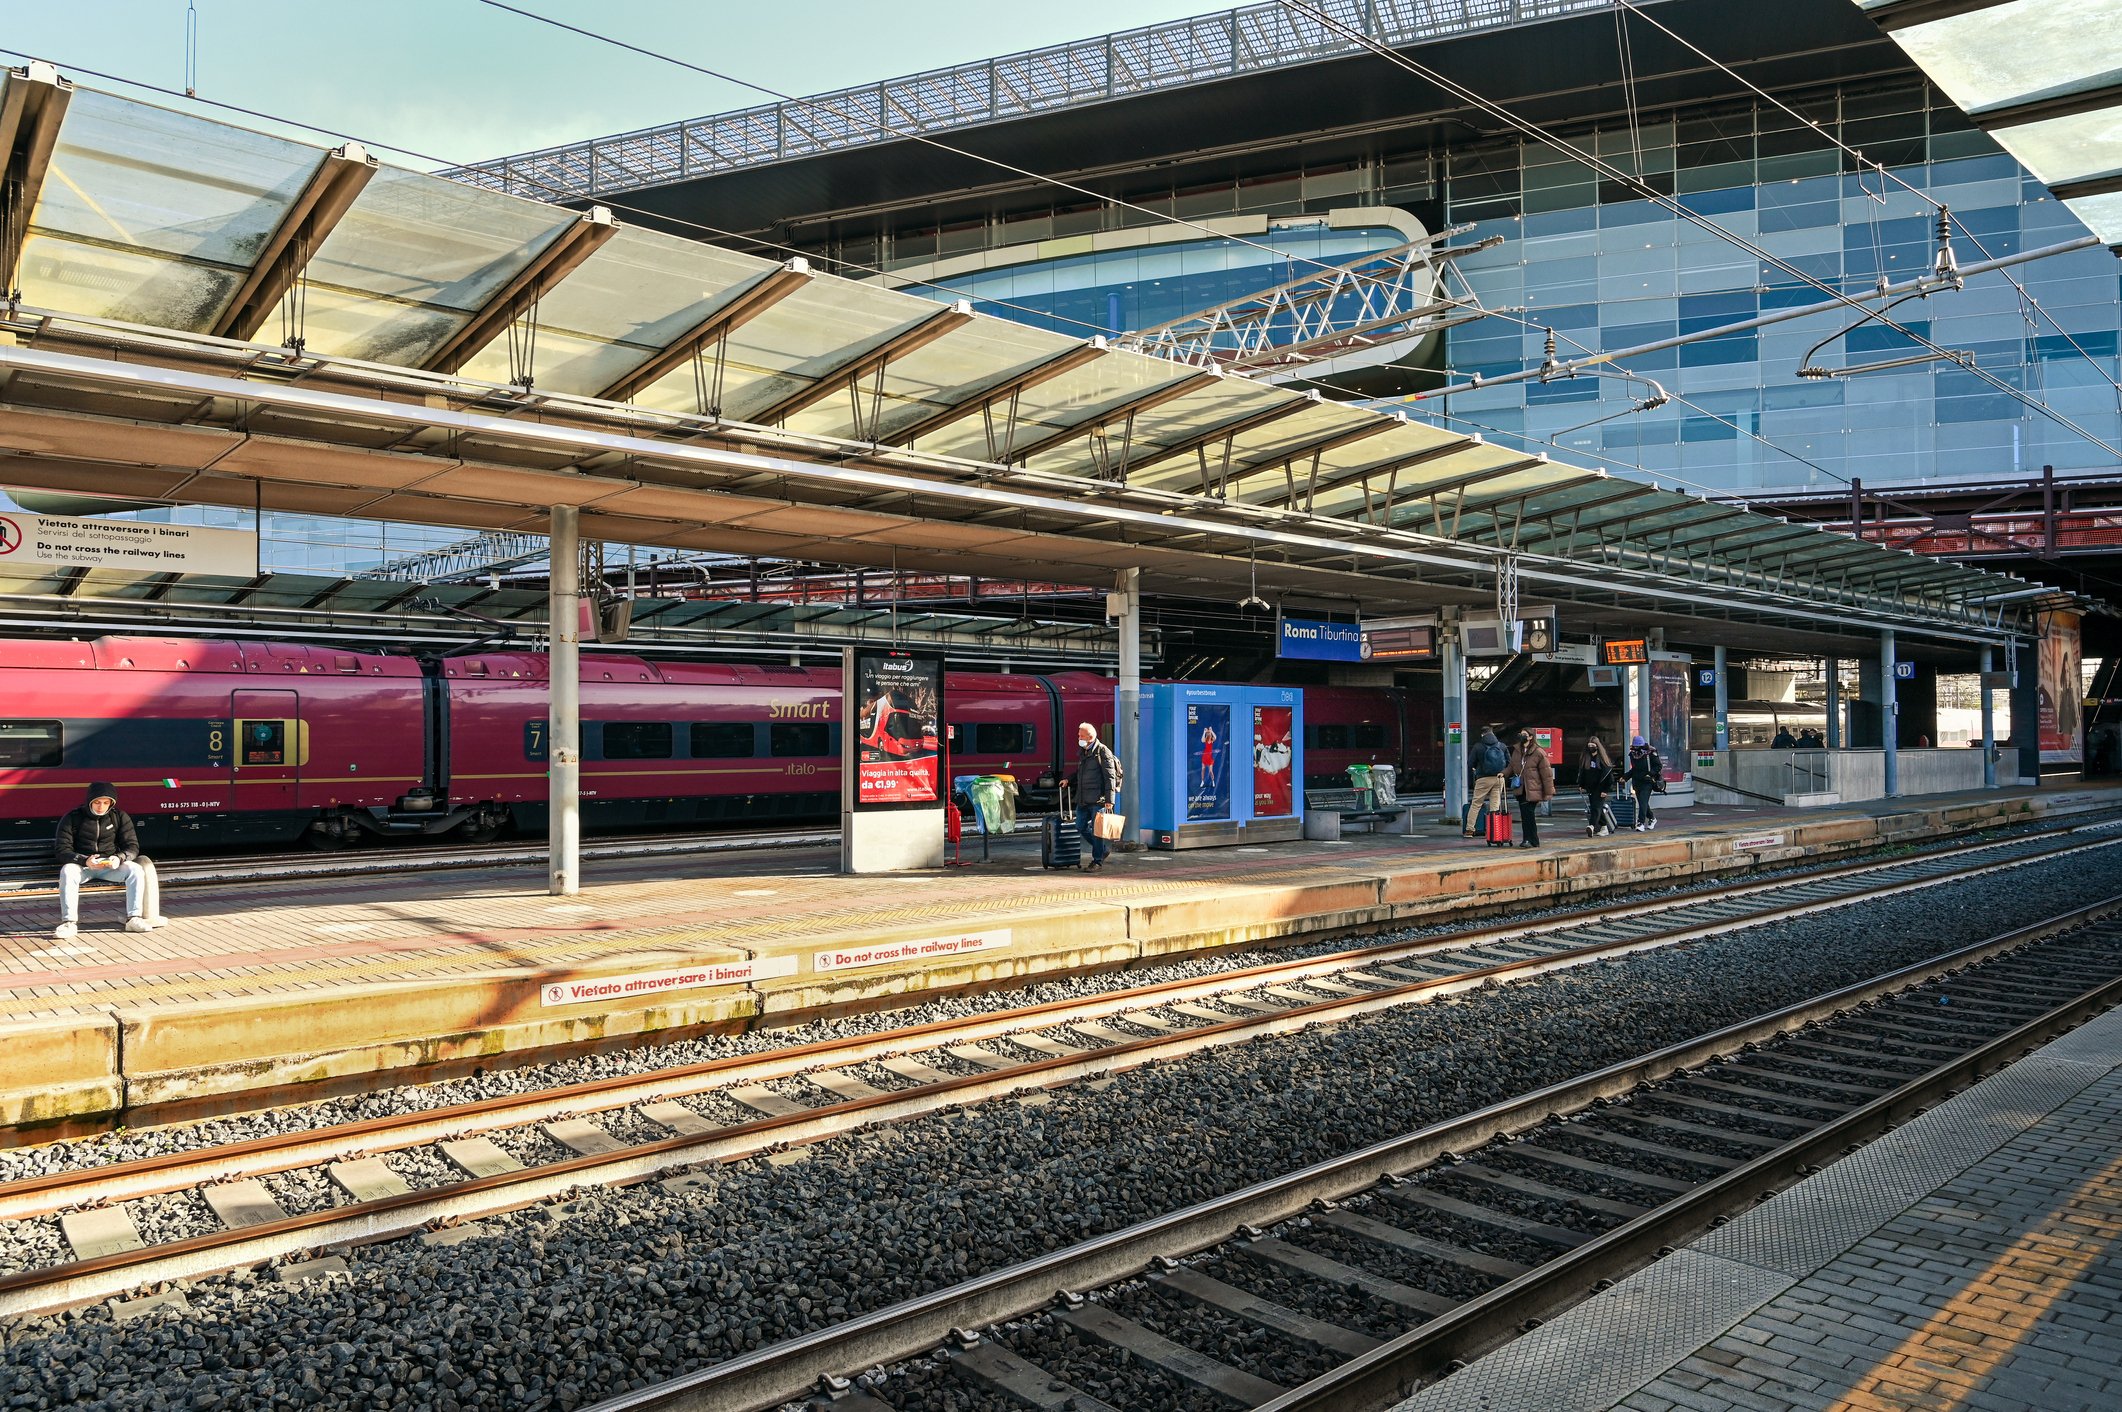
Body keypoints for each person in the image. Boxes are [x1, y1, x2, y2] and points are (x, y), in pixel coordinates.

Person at [54, 782, 150, 937]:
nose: (101, 807)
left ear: (111, 803)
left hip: (110, 867)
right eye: (97, 802)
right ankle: (69, 923)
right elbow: (61, 850)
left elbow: (132, 846)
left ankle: (134, 918)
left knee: (135, 869)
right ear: (90, 801)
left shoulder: (119, 816)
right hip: (83, 867)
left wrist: (119, 858)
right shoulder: (72, 817)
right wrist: (84, 860)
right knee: (67, 871)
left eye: (106, 803)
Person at [1069, 722, 1123, 872]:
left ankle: (1097, 861)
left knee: (1097, 831)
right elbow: (1081, 773)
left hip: (1098, 800)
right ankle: (1102, 849)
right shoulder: (1083, 751)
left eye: (1081, 735)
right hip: (1083, 797)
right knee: (1080, 825)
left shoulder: (1103, 752)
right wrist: (1069, 779)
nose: (1078, 737)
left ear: (1090, 737)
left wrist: (1109, 801)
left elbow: (1110, 777)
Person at [1509, 730, 1555, 849]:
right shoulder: (1517, 751)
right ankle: (1533, 840)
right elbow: (1512, 766)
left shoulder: (1538, 752)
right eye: (1521, 734)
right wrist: (1502, 773)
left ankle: (1528, 839)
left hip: (1533, 788)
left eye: (1525, 734)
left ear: (1530, 737)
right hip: (1521, 789)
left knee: (1528, 814)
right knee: (1525, 815)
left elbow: (1546, 774)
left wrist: (1549, 791)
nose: (1522, 736)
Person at [1464, 727, 1509, 837]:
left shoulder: (1478, 746)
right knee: (1495, 805)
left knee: (1476, 804)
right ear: (1492, 733)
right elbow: (1509, 762)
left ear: (1482, 734)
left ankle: (1470, 830)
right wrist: (1502, 773)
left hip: (1483, 778)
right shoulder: (1502, 746)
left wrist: (1476, 768)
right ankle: (1494, 831)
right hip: (1499, 778)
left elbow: (1470, 763)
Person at [1579, 737, 1616, 837]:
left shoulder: (1602, 760)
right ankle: (1604, 828)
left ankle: (1591, 826)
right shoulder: (1586, 759)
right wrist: (1581, 785)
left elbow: (1609, 777)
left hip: (1601, 789)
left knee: (1596, 808)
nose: (1591, 748)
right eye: (1589, 746)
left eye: (1593, 746)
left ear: (1597, 747)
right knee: (1596, 808)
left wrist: (1606, 790)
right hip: (1591, 788)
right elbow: (1583, 773)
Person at [1626, 735, 1661, 832]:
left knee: (1643, 802)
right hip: (1637, 782)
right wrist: (1625, 777)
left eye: (1638, 747)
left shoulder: (1650, 753)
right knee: (1643, 803)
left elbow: (1658, 766)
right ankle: (1652, 818)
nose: (1636, 749)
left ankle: (1640, 822)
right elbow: (1634, 769)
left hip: (1647, 782)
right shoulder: (1632, 754)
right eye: (1635, 746)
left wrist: (1650, 774)